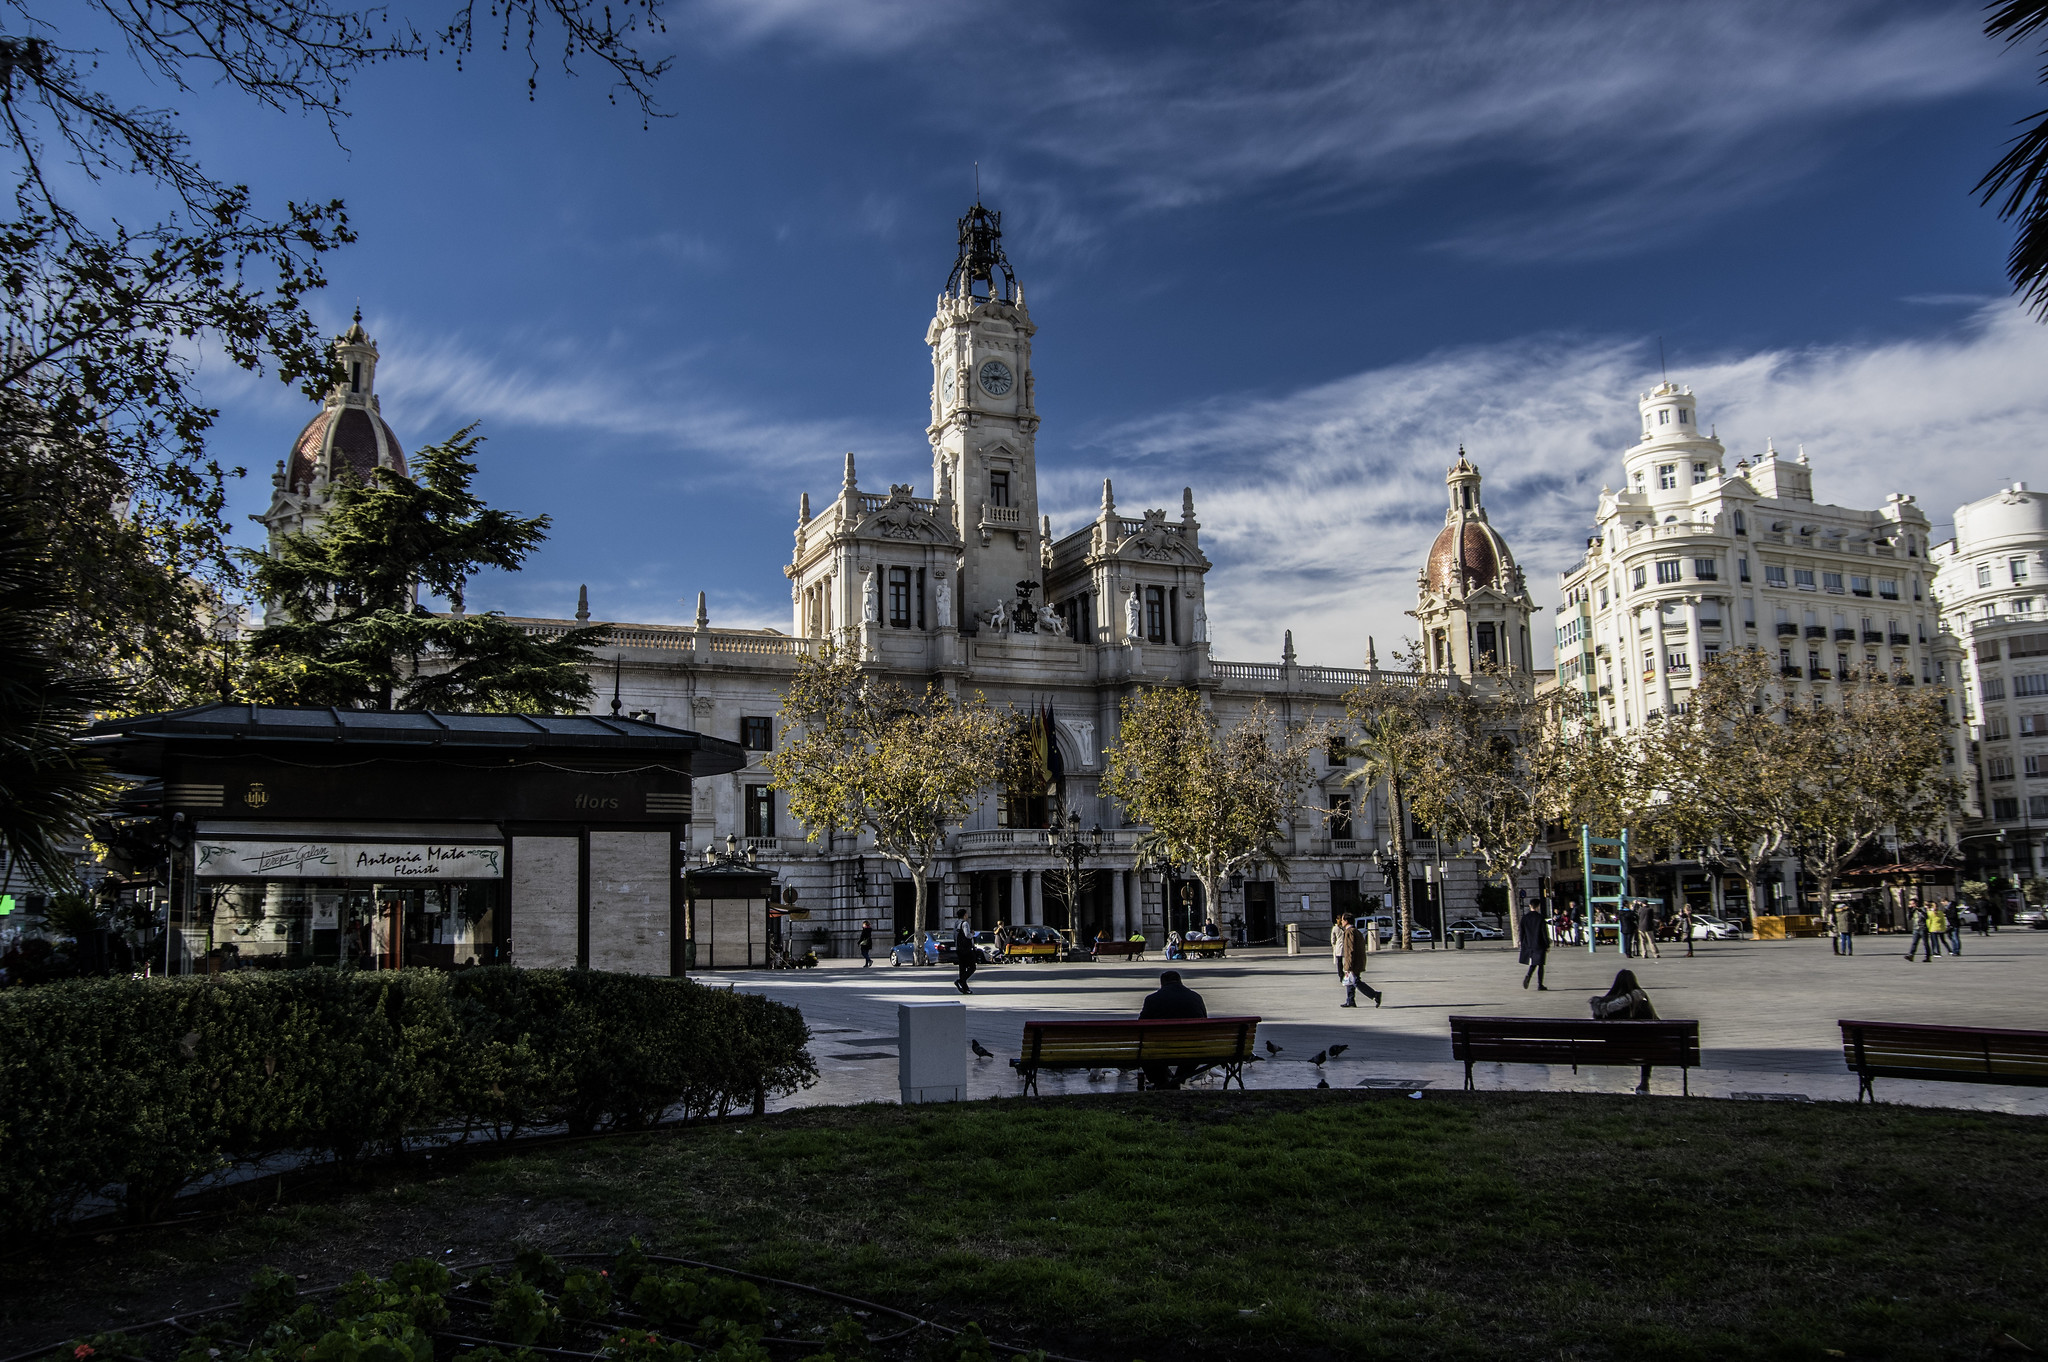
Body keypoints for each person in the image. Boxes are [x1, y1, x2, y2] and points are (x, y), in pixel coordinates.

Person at [1589, 968, 1659, 1094]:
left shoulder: (1603, 1005)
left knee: (1647, 1044)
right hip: (1639, 1048)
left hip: (1610, 1048)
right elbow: (1654, 1023)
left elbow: (1596, 1018)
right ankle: (1644, 1083)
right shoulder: (1640, 1002)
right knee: (1650, 1045)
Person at [1138, 970, 1207, 1088]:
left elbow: (1141, 1025)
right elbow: (1204, 1022)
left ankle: (1162, 1080)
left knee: (1146, 1051)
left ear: (1162, 983)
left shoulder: (1152, 999)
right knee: (1194, 1049)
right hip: (1192, 1048)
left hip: (1161, 1047)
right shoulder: (1196, 997)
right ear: (1180, 981)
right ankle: (1177, 1078)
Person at [1338, 915, 1381, 1007]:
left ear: (1346, 921)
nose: (1341, 922)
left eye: (1342, 920)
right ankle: (1350, 1000)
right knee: (1349, 981)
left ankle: (1374, 994)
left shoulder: (1350, 932)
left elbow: (1350, 950)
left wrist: (1349, 965)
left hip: (1354, 962)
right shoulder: (1356, 931)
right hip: (1358, 960)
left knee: (1356, 981)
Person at [1519, 900, 1550, 990]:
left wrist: (1522, 943)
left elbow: (1522, 932)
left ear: (1530, 906)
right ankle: (1540, 984)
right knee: (1540, 964)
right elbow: (1544, 933)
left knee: (1534, 962)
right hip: (1539, 944)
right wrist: (1547, 944)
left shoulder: (1525, 918)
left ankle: (1528, 975)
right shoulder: (1540, 918)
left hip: (1529, 944)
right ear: (1538, 906)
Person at [953, 915, 977, 994]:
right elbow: (967, 935)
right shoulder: (965, 923)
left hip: (959, 949)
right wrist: (972, 934)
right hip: (966, 949)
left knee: (962, 968)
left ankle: (965, 988)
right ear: (964, 915)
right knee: (972, 967)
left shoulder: (956, 923)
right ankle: (960, 981)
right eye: (966, 914)